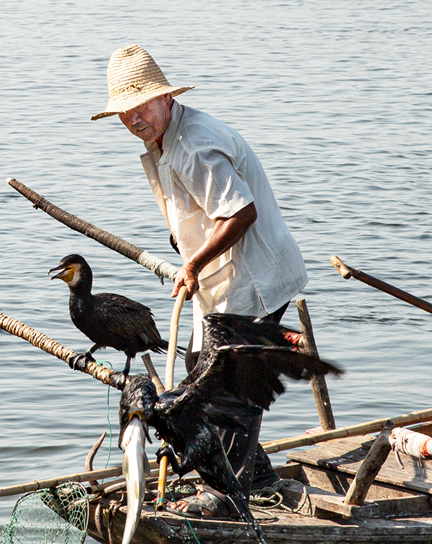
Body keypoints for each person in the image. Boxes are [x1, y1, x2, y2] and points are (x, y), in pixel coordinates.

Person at [92, 44, 308, 516]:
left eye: (141, 107)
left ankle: (227, 494)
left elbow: (240, 212)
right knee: (197, 363)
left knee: (226, 382)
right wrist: (185, 250)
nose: (133, 119)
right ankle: (258, 475)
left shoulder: (192, 145)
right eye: (124, 113)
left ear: (165, 99)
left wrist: (193, 263)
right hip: (222, 276)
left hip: (254, 276)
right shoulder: (164, 139)